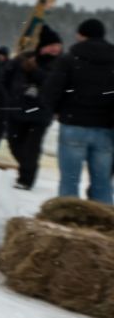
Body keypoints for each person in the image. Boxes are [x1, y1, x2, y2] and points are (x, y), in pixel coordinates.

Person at [43, 19, 114, 202]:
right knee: (102, 182)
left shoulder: (69, 58)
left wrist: (56, 111)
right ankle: (105, 223)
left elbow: (52, 90)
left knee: (69, 180)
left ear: (82, 35)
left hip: (73, 124)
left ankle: (68, 222)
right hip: (105, 128)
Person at [2, 26, 63, 190]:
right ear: (42, 46)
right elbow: (5, 79)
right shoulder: (22, 59)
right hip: (17, 110)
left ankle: (26, 179)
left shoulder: (60, 63)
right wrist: (8, 99)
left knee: (31, 147)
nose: (56, 49)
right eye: (52, 45)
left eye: (58, 45)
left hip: (40, 113)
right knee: (14, 144)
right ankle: (27, 167)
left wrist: (35, 71)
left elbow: (53, 84)